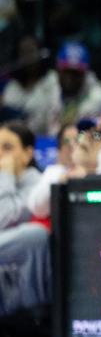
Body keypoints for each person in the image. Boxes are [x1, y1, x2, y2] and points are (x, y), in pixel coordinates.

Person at [0, 121, 51, 317]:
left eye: (7, 147)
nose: (0, 154)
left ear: (28, 154)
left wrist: (4, 173)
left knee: (35, 235)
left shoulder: (38, 186)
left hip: (22, 289)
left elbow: (3, 217)